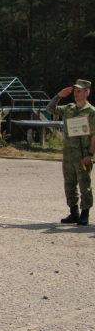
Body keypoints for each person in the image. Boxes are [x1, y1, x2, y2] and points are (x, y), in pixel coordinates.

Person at [46, 79, 95, 226]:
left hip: (82, 155)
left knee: (84, 184)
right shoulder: (69, 108)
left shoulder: (91, 111)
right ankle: (74, 213)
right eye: (75, 90)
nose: (76, 93)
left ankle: (85, 213)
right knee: (69, 184)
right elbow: (50, 109)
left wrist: (90, 154)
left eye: (80, 91)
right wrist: (59, 95)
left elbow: (94, 135)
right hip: (68, 154)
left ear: (87, 93)